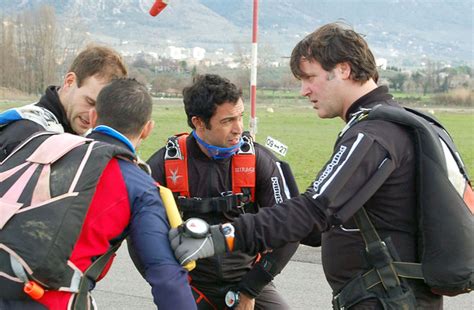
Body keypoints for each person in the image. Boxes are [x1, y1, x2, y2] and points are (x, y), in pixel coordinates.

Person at [169, 23, 443, 309]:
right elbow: (316, 227)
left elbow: (313, 211)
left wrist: (219, 237)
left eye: (310, 77)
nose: (304, 90)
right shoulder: (384, 124)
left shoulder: (373, 135)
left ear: (343, 70)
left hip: (387, 298)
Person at [0, 78, 196, 309]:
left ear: (93, 117)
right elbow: (167, 280)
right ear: (147, 129)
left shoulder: (42, 143)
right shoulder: (140, 185)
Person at [146, 74, 300, 309]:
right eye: (227, 120)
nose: (239, 128)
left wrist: (251, 289)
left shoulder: (259, 160)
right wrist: (169, 286)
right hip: (189, 284)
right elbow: (141, 237)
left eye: (240, 117)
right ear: (198, 122)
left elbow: (290, 229)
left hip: (248, 281)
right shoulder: (164, 165)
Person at [0, 44, 128, 161]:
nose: (92, 116)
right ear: (70, 81)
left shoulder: (93, 141)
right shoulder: (24, 134)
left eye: (101, 110)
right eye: (89, 102)